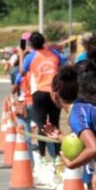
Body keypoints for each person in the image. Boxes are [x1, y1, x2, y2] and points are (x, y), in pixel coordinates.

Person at [16, 32, 61, 163]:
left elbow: (22, 72)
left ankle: (42, 156)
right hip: (55, 92)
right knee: (55, 123)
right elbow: (65, 63)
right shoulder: (54, 54)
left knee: (42, 125)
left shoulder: (31, 57)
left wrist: (20, 56)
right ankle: (57, 156)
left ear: (31, 44)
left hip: (39, 92)